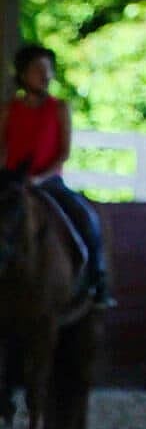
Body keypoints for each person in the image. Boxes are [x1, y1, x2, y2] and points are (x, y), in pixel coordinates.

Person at [0, 44, 115, 308]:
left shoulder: (60, 108)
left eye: (48, 70)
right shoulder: (8, 109)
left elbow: (63, 153)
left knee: (86, 216)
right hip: (12, 183)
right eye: (38, 70)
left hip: (49, 183)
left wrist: (39, 179)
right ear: (23, 74)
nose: (46, 75)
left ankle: (98, 280)